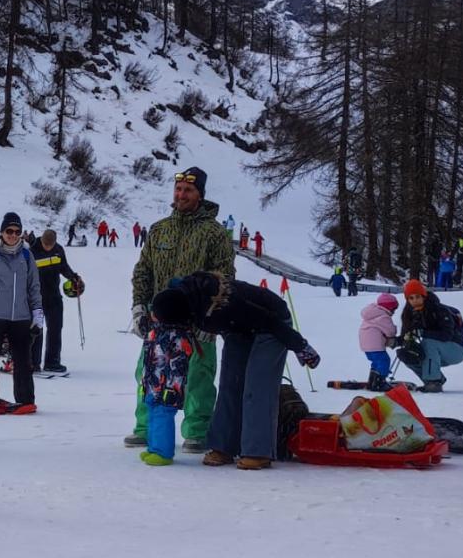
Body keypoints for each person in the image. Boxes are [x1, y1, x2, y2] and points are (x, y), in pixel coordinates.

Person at [150, 273, 320, 470]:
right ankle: (223, 446)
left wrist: (301, 347)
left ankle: (258, 451)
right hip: (236, 329)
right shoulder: (186, 301)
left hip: (272, 325)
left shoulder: (223, 302)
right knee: (230, 383)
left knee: (257, 386)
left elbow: (270, 322)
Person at [127, 167, 235, 451]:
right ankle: (146, 426)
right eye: (178, 190)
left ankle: (197, 430)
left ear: (200, 194)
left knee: (199, 375)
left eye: (188, 190)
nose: (181, 195)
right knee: (148, 372)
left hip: (196, 316)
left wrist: (212, 316)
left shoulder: (215, 233)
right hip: (159, 315)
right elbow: (143, 271)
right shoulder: (160, 229)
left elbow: (224, 276)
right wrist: (139, 306)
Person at [0, 213, 45, 414]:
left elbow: (34, 285)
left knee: (23, 359)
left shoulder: (26, 255)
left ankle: (25, 399)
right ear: (2, 232)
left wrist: (37, 310)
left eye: (17, 232)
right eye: (9, 231)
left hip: (21, 316)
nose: (13, 235)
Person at [138, 310, 197, 467]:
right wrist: (145, 381)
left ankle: (162, 452)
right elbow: (148, 358)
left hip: (167, 387)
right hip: (152, 384)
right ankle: (153, 448)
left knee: (162, 416)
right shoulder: (155, 332)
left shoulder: (177, 336)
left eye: (156, 310)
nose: (152, 313)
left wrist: (172, 387)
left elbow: (179, 365)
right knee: (152, 415)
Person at [396, 279, 463, 392]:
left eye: (418, 297)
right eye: (411, 298)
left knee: (428, 342)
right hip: (435, 354)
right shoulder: (408, 314)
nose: (415, 301)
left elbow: (447, 335)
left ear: (424, 296)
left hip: (456, 349)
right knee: (407, 352)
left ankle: (433, 382)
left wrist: (423, 333)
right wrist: (396, 341)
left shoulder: (439, 310)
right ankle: (434, 379)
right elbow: (408, 336)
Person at [30, 229, 84, 373]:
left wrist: (73, 277)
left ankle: (52, 362)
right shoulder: (32, 248)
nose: (48, 247)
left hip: (53, 295)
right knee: (36, 330)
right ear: (42, 240)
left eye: (50, 245)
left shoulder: (58, 250)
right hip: (36, 297)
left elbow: (64, 267)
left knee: (55, 328)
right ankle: (33, 363)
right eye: (45, 244)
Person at [358, 292, 400, 390]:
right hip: (375, 345)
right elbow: (390, 331)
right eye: (394, 308)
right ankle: (380, 382)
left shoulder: (372, 314)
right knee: (384, 361)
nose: (394, 311)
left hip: (366, 345)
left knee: (376, 362)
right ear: (389, 307)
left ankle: (373, 380)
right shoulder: (384, 317)